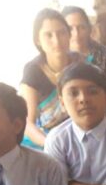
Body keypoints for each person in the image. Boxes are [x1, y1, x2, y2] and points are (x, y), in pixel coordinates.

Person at [20, 9, 82, 148]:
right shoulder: (33, 71)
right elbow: (28, 123)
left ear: (69, 35)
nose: (56, 40)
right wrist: (51, 145)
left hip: (82, 130)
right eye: (49, 35)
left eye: (61, 33)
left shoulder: (81, 63)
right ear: (38, 40)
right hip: (48, 137)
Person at [63, 6, 106, 119]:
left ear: (89, 29)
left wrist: (96, 120)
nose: (76, 34)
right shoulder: (58, 59)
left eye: (81, 27)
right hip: (71, 120)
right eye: (70, 29)